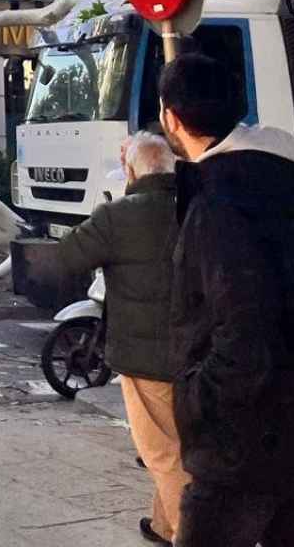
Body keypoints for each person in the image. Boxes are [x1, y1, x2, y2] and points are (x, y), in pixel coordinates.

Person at [158, 53, 294, 547]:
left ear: (171, 116)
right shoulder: (276, 182)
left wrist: (197, 400)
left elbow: (242, 323)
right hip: (293, 419)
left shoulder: (219, 203)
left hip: (237, 439)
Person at [50, 132, 188, 545]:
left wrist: (106, 210)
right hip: (200, 350)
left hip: (146, 355)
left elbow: (67, 257)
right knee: (180, 442)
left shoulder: (120, 215)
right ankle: (163, 525)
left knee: (160, 452)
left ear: (130, 171)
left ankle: (191, 533)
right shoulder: (198, 205)